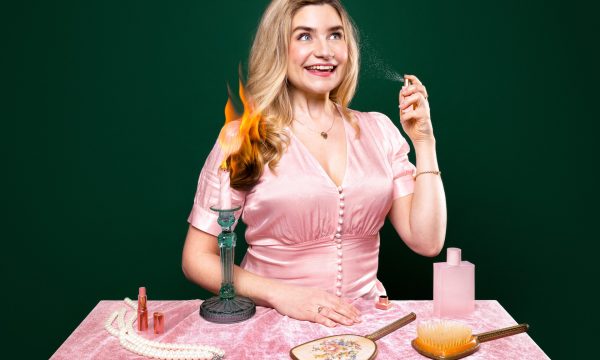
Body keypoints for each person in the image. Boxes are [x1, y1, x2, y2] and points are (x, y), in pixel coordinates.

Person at [182, 0, 446, 328]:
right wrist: (283, 295)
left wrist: (424, 141)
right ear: (279, 48)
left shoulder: (379, 131)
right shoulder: (244, 137)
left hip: (361, 329)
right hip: (270, 324)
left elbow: (428, 240)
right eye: (305, 36)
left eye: (335, 35)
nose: (324, 51)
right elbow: (197, 258)